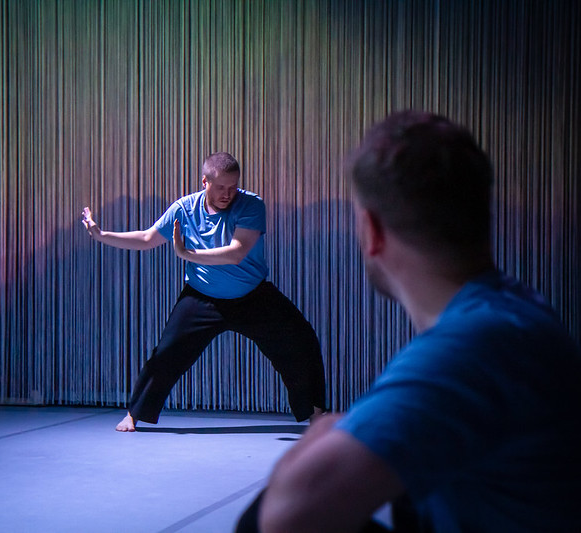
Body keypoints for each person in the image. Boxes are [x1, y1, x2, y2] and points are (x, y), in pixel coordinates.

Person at [236, 111, 581, 532]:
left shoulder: (475, 347)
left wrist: (321, 431)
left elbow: (287, 515)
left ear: (373, 231)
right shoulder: (515, 313)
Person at [82, 152, 327, 432]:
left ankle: (316, 412)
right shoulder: (184, 209)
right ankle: (134, 415)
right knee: (166, 354)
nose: (228, 194)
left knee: (301, 341)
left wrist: (187, 254)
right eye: (221, 187)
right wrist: (103, 236)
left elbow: (237, 253)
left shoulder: (251, 204)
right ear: (204, 182)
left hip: (252, 295)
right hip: (202, 297)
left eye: (233, 187)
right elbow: (149, 238)